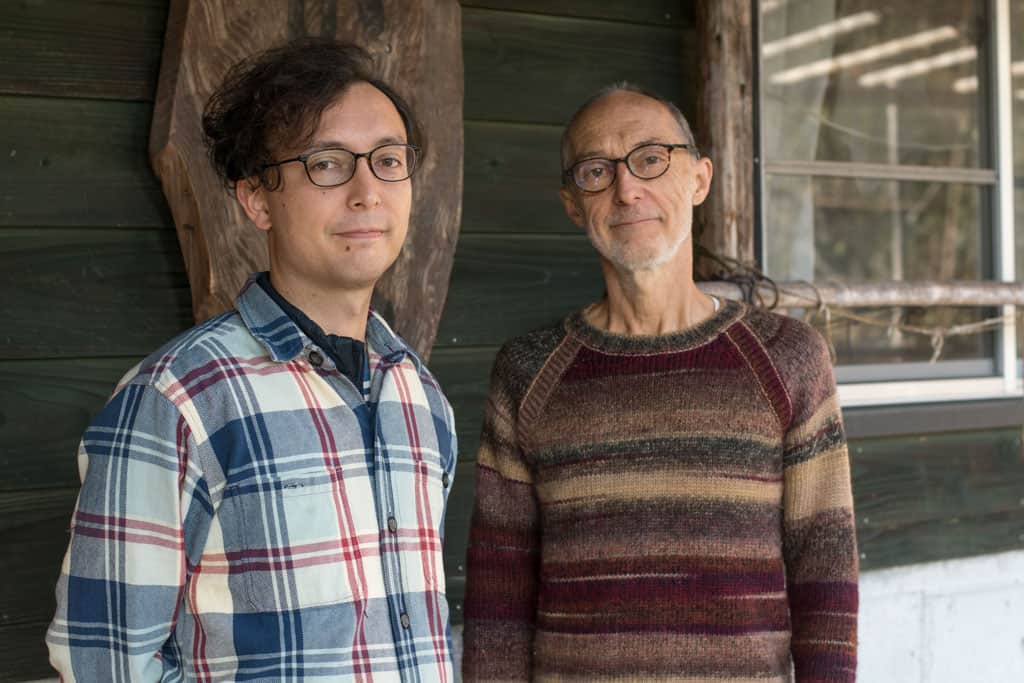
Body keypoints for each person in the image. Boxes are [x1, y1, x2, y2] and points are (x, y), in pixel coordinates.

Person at [46, 39, 457, 681]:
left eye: (387, 160)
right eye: (326, 164)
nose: (366, 191)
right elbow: (102, 662)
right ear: (256, 200)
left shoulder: (419, 396)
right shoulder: (179, 398)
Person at [461, 83, 858, 682]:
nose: (627, 188)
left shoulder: (787, 357)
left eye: (650, 159)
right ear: (573, 203)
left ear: (699, 180)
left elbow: (825, 569)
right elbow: (498, 595)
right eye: (597, 170)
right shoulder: (528, 371)